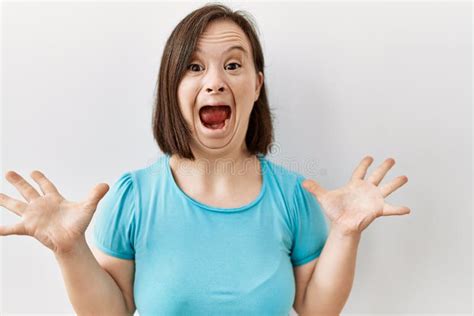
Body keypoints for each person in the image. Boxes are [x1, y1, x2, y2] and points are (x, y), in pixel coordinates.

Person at [0, 3, 411, 316]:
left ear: (256, 85)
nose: (215, 81)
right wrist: (70, 250)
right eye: (194, 67)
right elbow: (114, 310)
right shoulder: (133, 197)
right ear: (172, 87)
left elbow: (314, 308)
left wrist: (346, 233)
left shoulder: (295, 196)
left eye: (233, 65)